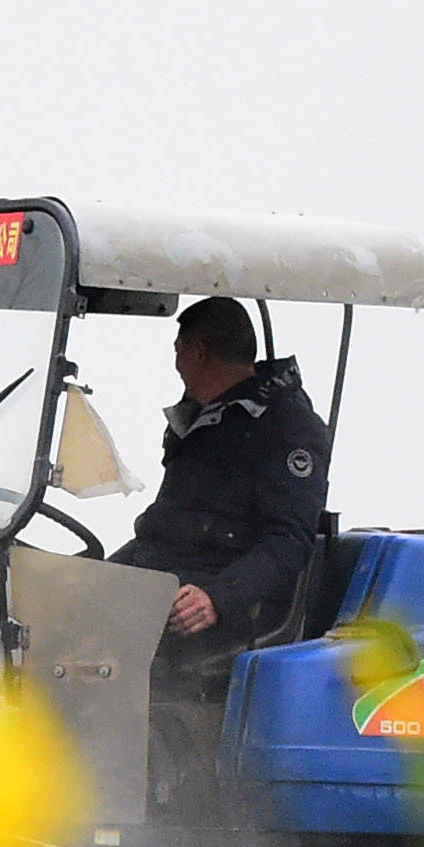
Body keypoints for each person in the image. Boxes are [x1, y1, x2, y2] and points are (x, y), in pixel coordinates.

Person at [119, 297, 328, 802]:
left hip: (223, 609)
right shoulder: (202, 421)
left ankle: (136, 803)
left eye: (177, 346)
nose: (175, 359)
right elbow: (164, 532)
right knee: (53, 608)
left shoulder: (288, 429)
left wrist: (217, 598)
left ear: (197, 351)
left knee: (95, 651)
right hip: (160, 585)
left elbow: (287, 543)